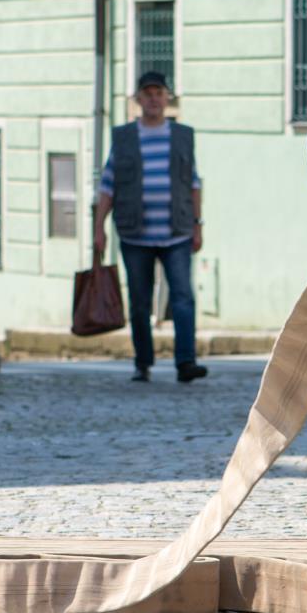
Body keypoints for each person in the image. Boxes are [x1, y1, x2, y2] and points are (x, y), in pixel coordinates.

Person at [92, 72, 209, 384]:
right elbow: (107, 185)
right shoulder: (124, 137)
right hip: (135, 234)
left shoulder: (182, 135)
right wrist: (98, 228)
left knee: (183, 297)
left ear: (166, 98)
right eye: (148, 94)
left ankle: (186, 362)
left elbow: (194, 183)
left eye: (159, 93)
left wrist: (198, 225)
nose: (154, 99)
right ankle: (142, 362)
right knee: (140, 302)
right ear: (139, 100)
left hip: (178, 232)